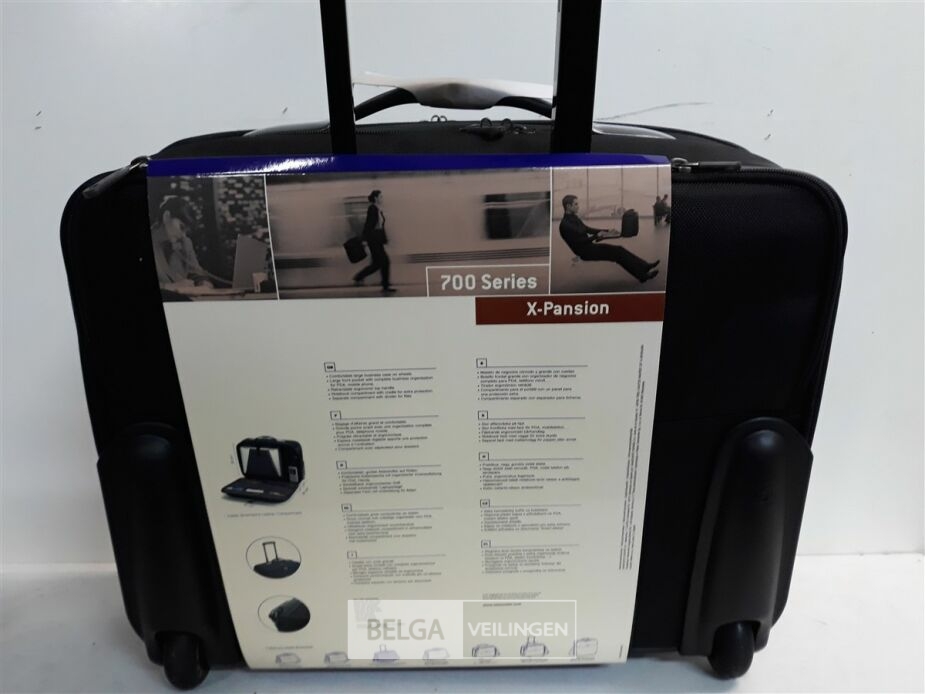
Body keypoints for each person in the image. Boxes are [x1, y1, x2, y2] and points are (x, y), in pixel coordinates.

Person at [559, 195, 659, 283]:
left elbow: (587, 229)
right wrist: (597, 236)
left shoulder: (574, 218)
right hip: (585, 252)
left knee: (619, 250)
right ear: (568, 206)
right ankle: (643, 276)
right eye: (576, 204)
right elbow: (578, 242)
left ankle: (645, 266)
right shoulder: (565, 225)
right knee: (618, 254)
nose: (578, 206)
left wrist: (607, 230)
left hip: (589, 247)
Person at [151, 197, 228, 289]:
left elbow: (197, 274)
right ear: (166, 216)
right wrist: (170, 287)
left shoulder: (185, 243)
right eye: (181, 227)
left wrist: (204, 283)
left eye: (186, 231)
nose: (183, 236)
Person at [352, 189, 395, 293]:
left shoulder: (377, 209)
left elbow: (379, 226)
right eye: (380, 197)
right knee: (384, 262)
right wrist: (365, 239)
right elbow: (369, 225)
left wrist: (384, 239)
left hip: (377, 240)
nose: (382, 199)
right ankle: (384, 286)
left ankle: (359, 277)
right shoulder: (372, 209)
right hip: (374, 241)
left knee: (377, 264)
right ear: (375, 198)